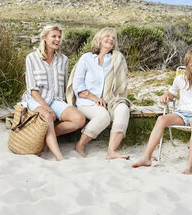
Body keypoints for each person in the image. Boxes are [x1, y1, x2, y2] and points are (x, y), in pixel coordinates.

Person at [132, 49, 192, 174]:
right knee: (161, 119)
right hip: (183, 114)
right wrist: (166, 96)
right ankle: (146, 157)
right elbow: (172, 93)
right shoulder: (180, 79)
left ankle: (190, 164)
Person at [21, 25, 85, 161]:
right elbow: (32, 89)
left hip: (56, 99)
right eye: (54, 36)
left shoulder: (64, 60)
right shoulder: (31, 58)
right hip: (35, 99)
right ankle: (59, 157)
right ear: (45, 37)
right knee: (48, 117)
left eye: (59, 37)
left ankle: (48, 137)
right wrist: (47, 108)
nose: (57, 39)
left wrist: (69, 105)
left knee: (79, 119)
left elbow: (66, 85)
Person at [66, 27, 131, 160]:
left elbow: (121, 84)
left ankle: (112, 151)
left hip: (110, 100)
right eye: (107, 36)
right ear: (99, 39)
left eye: (113, 38)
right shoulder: (86, 58)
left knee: (123, 108)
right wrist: (95, 98)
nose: (111, 39)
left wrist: (107, 100)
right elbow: (78, 86)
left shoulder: (116, 59)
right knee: (103, 116)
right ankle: (79, 146)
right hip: (86, 101)